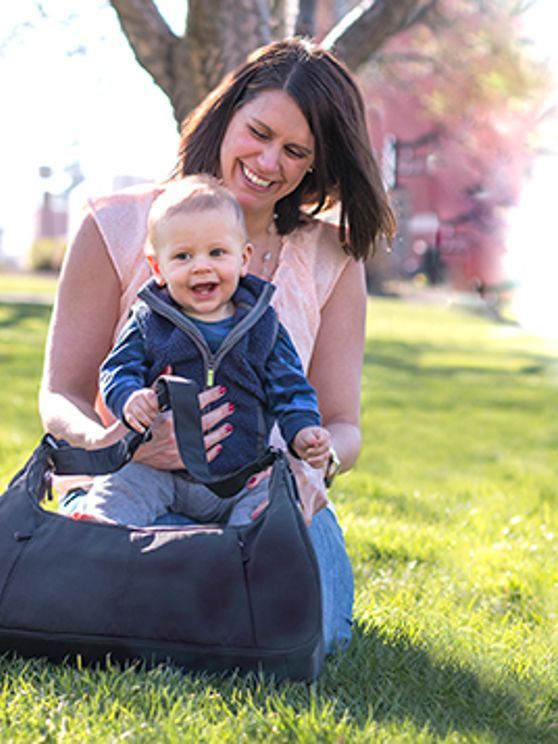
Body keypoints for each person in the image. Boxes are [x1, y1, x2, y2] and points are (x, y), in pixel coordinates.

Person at [39, 38, 396, 652]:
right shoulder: (118, 224)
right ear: (226, 114)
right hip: (133, 489)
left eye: (295, 151)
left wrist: (318, 455)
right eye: (257, 132)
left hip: (264, 504)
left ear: (315, 164)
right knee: (170, 570)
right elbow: (61, 394)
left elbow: (344, 425)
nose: (267, 160)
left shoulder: (330, 259)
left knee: (311, 627)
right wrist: (111, 443)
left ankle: (188, 606)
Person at [74, 174, 331, 527]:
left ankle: (249, 549)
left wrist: (302, 429)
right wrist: (129, 397)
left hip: (241, 478)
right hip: (161, 472)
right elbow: (118, 369)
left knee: (269, 502)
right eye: (182, 256)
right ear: (157, 268)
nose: (201, 266)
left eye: (217, 252)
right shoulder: (150, 319)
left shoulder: (264, 325)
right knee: (123, 486)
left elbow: (291, 387)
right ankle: (98, 530)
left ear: (243, 259)